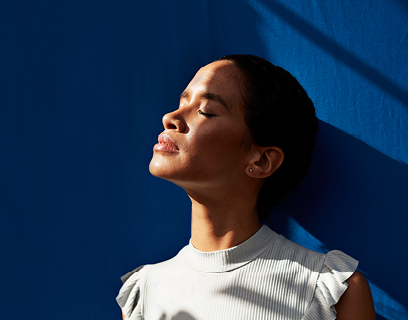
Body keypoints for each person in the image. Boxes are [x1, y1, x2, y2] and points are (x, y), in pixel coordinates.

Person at [116, 54, 375, 320]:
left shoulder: (328, 290)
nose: (170, 117)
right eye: (182, 102)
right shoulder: (143, 294)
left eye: (205, 110)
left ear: (261, 160)